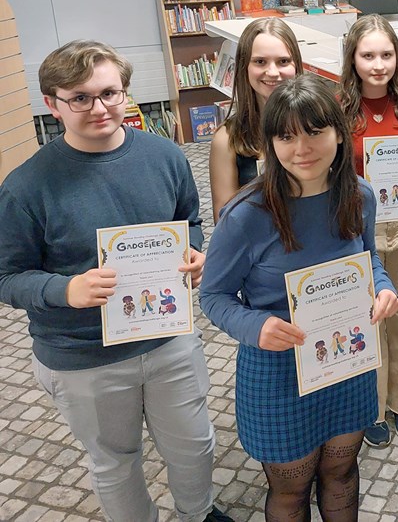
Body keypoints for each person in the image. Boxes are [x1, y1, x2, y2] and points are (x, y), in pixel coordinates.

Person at [0, 41, 230, 522]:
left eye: (110, 93)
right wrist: (64, 291)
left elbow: (187, 219)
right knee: (115, 463)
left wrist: (192, 251)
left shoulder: (166, 156)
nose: (100, 108)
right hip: (83, 355)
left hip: (168, 336)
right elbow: (7, 276)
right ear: (52, 104)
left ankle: (198, 512)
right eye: (80, 98)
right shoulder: (26, 186)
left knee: (194, 445)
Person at [199, 74, 398, 520]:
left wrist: (383, 289)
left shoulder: (360, 196)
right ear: (270, 144)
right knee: (291, 491)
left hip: (346, 364)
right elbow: (213, 295)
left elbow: (369, 262)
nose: (302, 148)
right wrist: (256, 325)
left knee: (342, 472)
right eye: (285, 136)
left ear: (338, 133)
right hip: (277, 368)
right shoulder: (247, 214)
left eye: (314, 131)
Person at [339, 14, 398, 448]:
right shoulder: (337, 108)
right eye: (368, 55)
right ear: (353, 58)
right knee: (368, 318)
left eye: (386, 54)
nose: (378, 64)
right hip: (359, 225)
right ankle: (372, 408)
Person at [209, 17, 302, 221]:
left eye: (283, 61)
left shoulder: (316, 126)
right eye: (260, 62)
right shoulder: (227, 139)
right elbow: (224, 222)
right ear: (245, 67)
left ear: (296, 65)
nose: (273, 72)